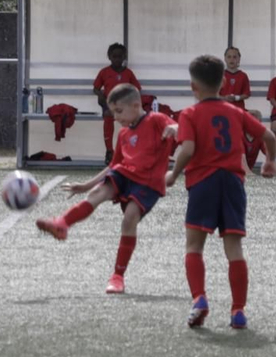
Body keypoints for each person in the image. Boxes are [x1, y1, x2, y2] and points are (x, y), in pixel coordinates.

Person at [167, 54, 276, 330]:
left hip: (203, 183)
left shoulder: (189, 115)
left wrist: (172, 174)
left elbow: (189, 149)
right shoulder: (235, 112)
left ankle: (199, 299)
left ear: (193, 86)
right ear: (222, 84)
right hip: (232, 183)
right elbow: (269, 136)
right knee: (234, 248)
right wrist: (270, 161)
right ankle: (238, 310)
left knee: (194, 246)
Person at [34, 83, 176, 294]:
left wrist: (174, 128)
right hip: (125, 173)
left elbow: (179, 128)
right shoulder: (124, 134)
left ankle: (117, 276)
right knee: (98, 192)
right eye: (113, 112)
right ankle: (62, 223)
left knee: (129, 219)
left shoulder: (155, 120)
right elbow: (113, 166)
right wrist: (85, 185)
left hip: (148, 182)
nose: (116, 117)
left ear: (136, 105)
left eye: (119, 111)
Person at [92, 43, 141, 165]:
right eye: (114, 56)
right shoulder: (104, 72)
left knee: (132, 123)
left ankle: (129, 151)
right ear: (109, 57)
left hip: (125, 105)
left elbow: (137, 88)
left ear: (124, 57)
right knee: (108, 118)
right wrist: (102, 98)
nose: (117, 59)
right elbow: (96, 88)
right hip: (110, 104)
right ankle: (109, 151)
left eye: (120, 56)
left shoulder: (128, 73)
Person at [221, 45, 263, 172]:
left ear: (239, 59)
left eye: (235, 57)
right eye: (229, 57)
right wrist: (225, 98)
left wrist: (237, 98)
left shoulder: (243, 76)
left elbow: (247, 94)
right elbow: (214, 94)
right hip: (224, 111)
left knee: (257, 115)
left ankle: (270, 158)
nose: (232, 59)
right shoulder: (220, 75)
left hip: (239, 110)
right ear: (225, 59)